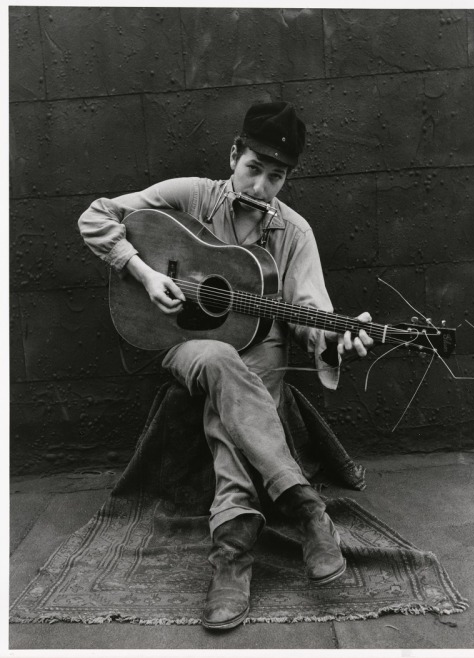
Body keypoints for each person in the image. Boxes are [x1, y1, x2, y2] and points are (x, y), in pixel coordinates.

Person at [78, 101, 373, 631]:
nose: (260, 186)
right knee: (216, 356)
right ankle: (305, 506)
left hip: (264, 349)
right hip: (185, 342)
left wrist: (335, 337)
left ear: (288, 179)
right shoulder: (190, 195)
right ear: (233, 155)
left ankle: (232, 558)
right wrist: (144, 274)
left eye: (275, 177)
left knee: (232, 404)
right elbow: (96, 215)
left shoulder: (294, 233)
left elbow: (309, 313)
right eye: (252, 169)